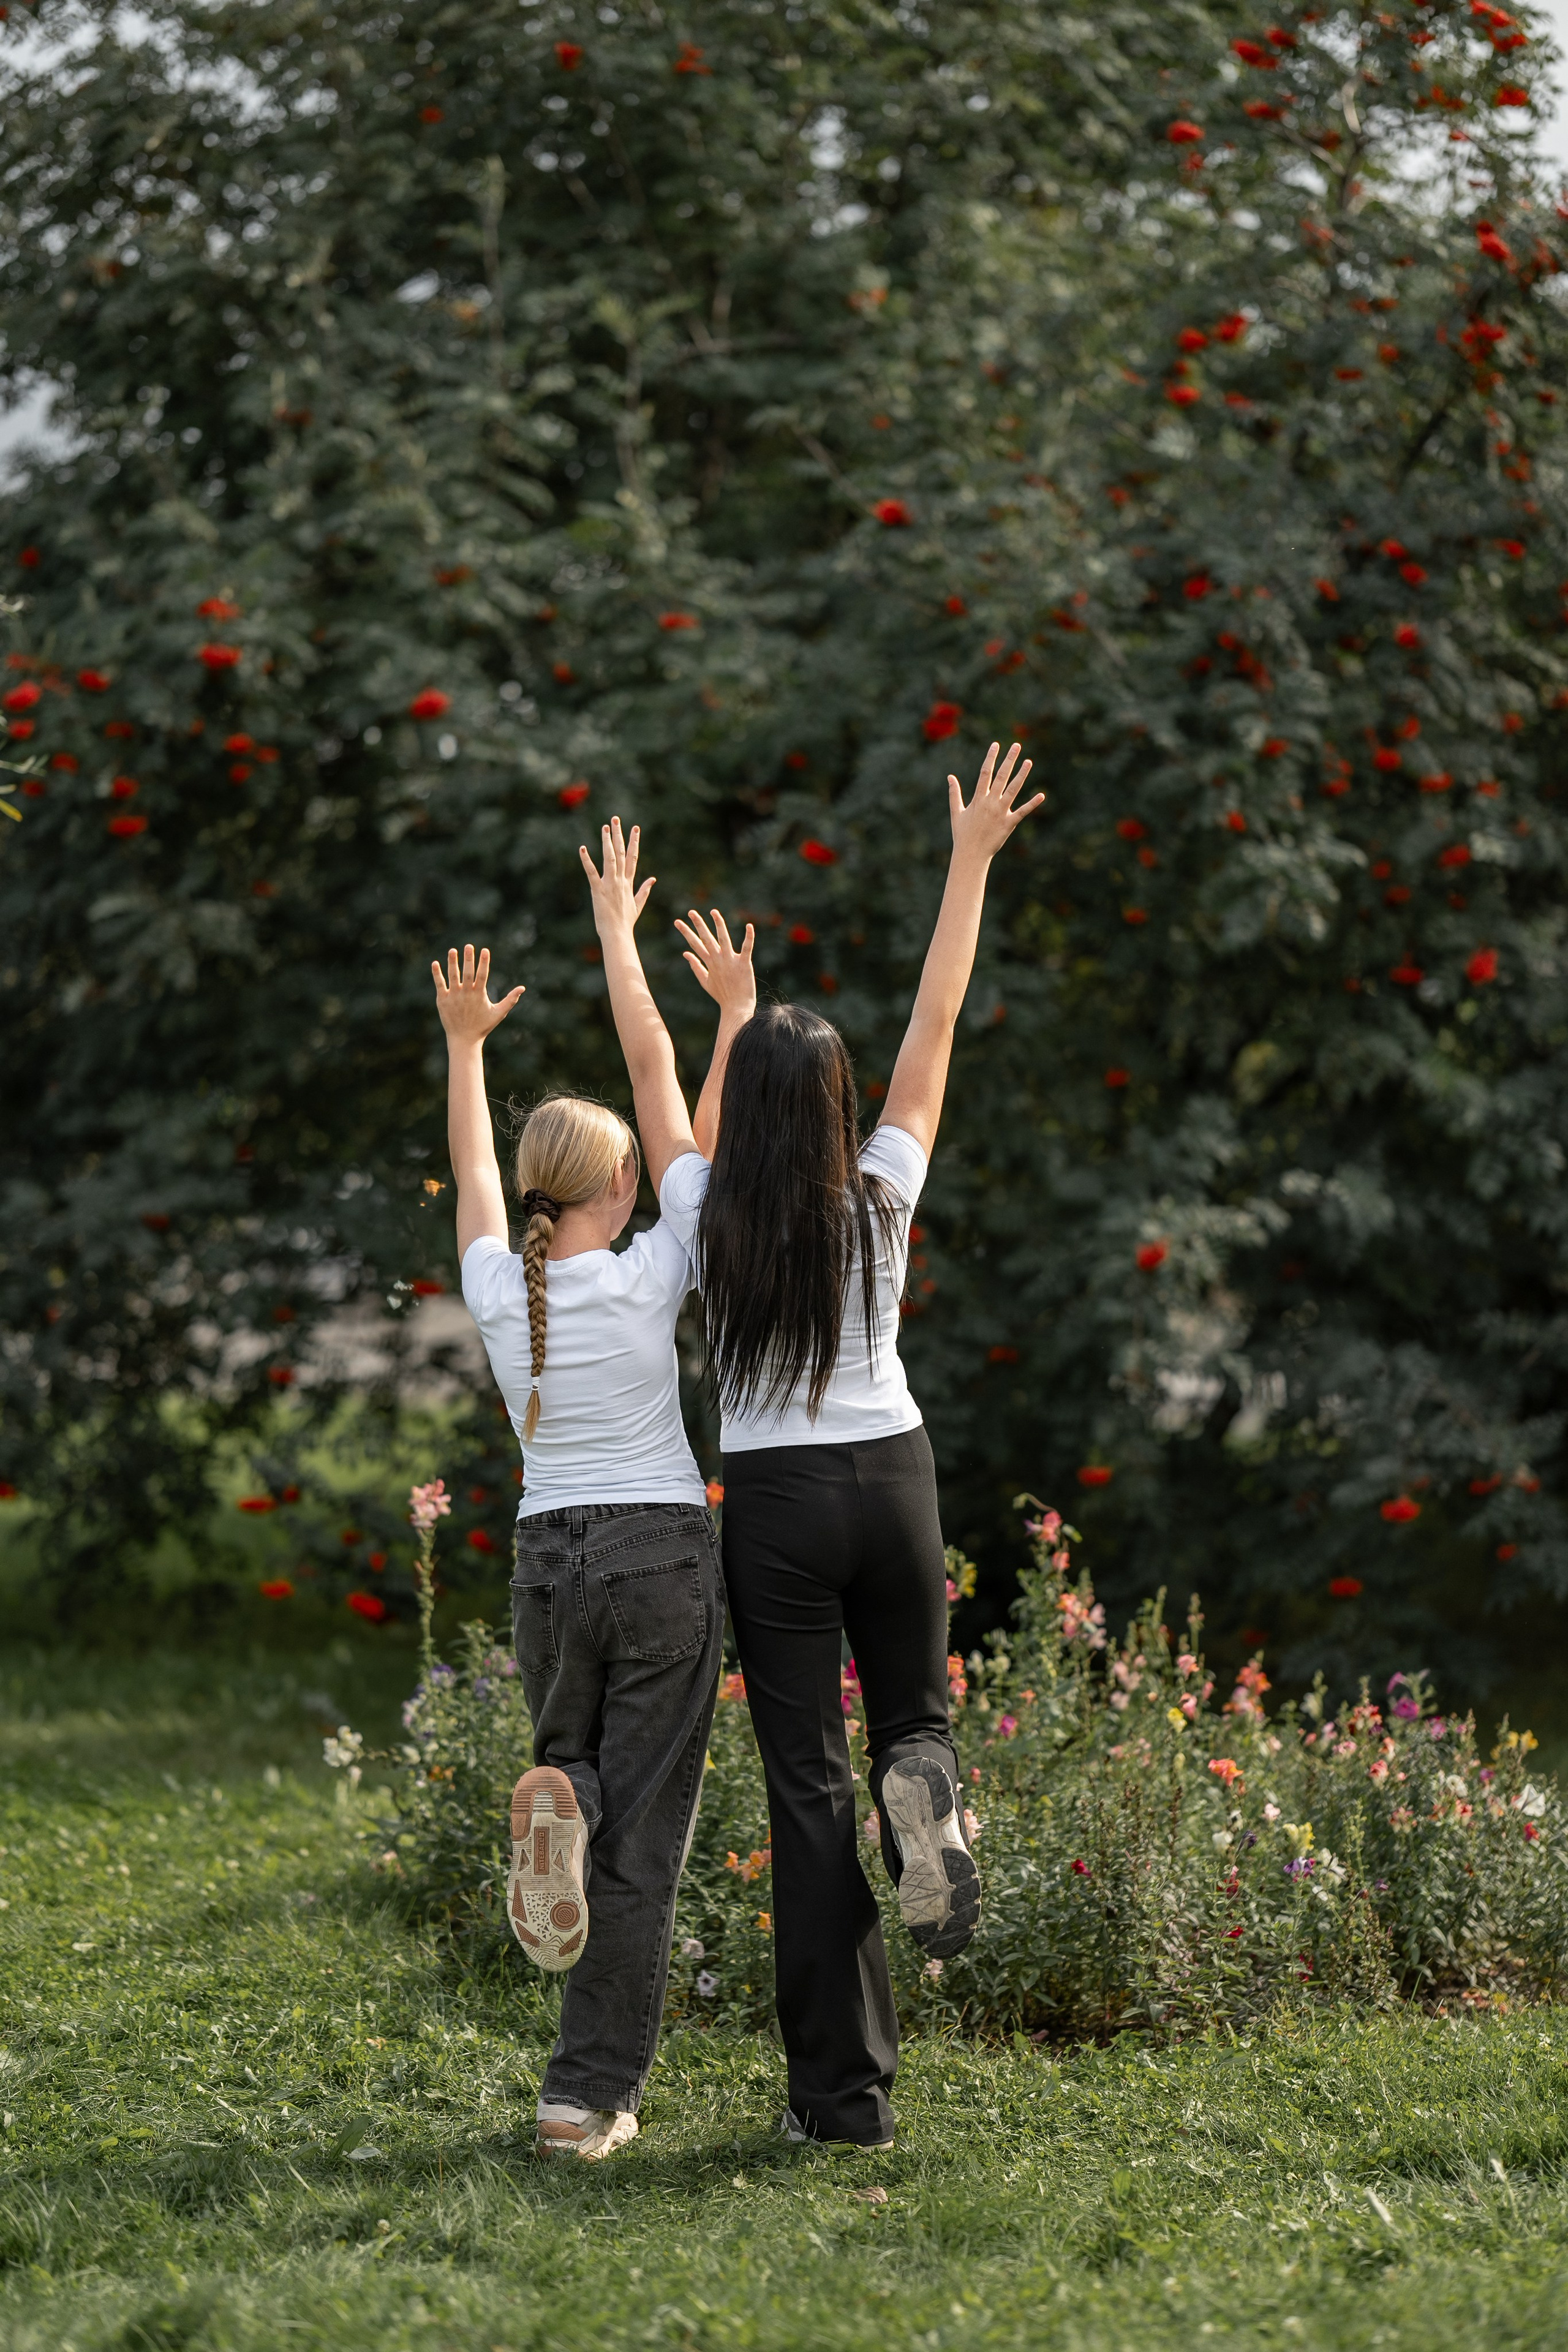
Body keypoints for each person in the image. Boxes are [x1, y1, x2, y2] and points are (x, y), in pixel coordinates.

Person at [593, 741, 1042, 2149]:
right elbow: (936, 1017)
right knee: (911, 1722)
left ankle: (841, 2103)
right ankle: (929, 1789)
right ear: (840, 1105)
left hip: (778, 1501)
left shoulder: (702, 1215)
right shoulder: (881, 1196)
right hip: (893, 1474)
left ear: (746, 1113)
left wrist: (624, 941)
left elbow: (647, 1062)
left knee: (806, 1789)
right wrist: (967, 858)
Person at [431, 939, 735, 2163]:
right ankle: (582, 2098)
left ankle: (570, 1799)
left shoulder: (497, 1286)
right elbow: (688, 1122)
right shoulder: (655, 1266)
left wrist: (464, 1049)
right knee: (641, 1847)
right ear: (622, 1182)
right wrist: (728, 1016)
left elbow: (470, 1170)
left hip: (545, 1562)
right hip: (659, 1552)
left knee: (582, 1777)